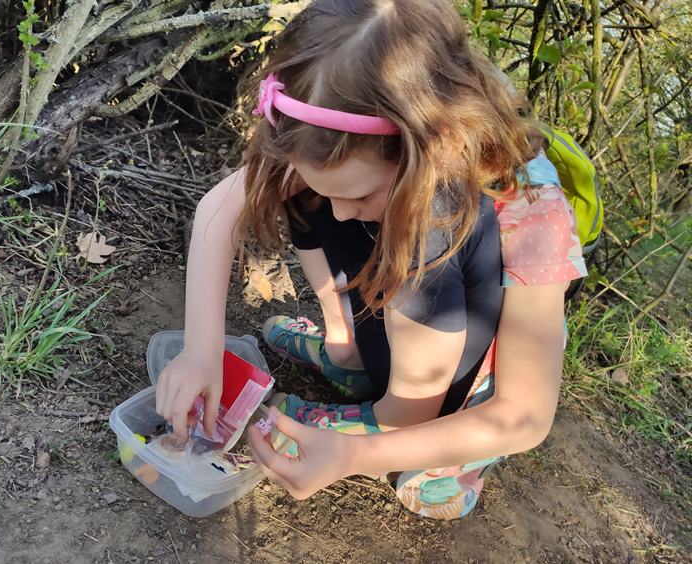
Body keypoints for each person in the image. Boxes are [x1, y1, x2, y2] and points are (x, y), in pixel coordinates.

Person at [156, 0, 587, 520]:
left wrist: (356, 455)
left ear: (432, 147)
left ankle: (396, 428)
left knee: (425, 492)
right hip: (399, 321)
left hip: (463, 374)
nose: (340, 212)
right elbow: (218, 210)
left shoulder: (533, 211)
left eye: (359, 196)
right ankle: (349, 355)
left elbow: (524, 417)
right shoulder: (338, 134)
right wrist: (201, 350)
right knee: (315, 193)